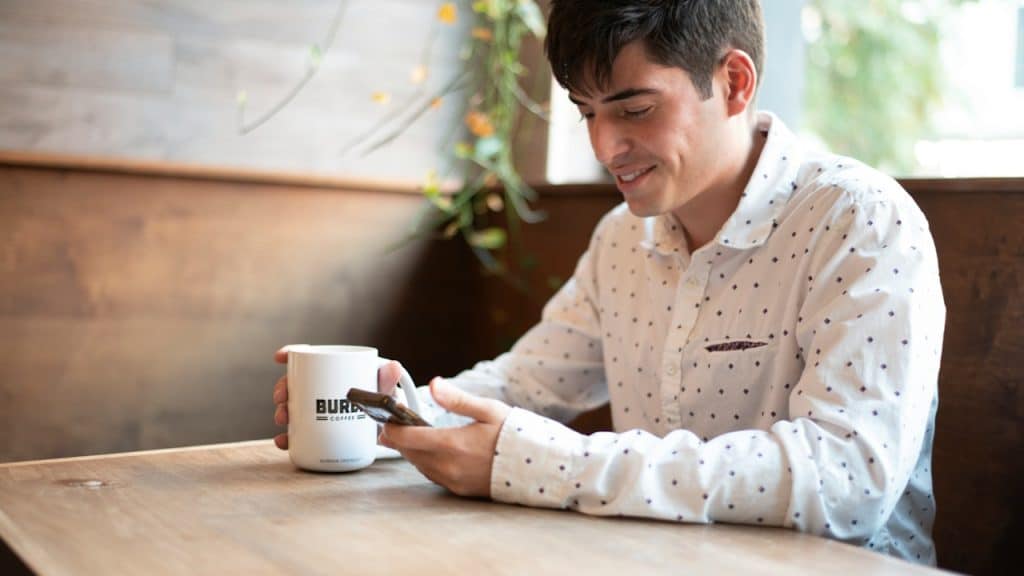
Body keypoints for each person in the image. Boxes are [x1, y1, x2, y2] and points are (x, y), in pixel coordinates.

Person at [272, 0, 944, 565]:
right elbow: (524, 384)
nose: (603, 147)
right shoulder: (623, 237)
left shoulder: (860, 221)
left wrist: (546, 466)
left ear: (735, 83)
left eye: (634, 109)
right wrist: (377, 412)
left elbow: (849, 480)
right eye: (587, 112)